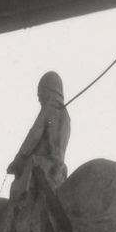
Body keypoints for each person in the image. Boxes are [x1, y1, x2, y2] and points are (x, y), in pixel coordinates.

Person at [7, 71, 71, 203]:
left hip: (41, 168)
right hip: (59, 171)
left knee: (16, 195)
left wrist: (18, 160)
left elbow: (33, 136)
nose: (38, 96)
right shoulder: (66, 116)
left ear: (48, 90)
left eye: (40, 91)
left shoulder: (48, 109)